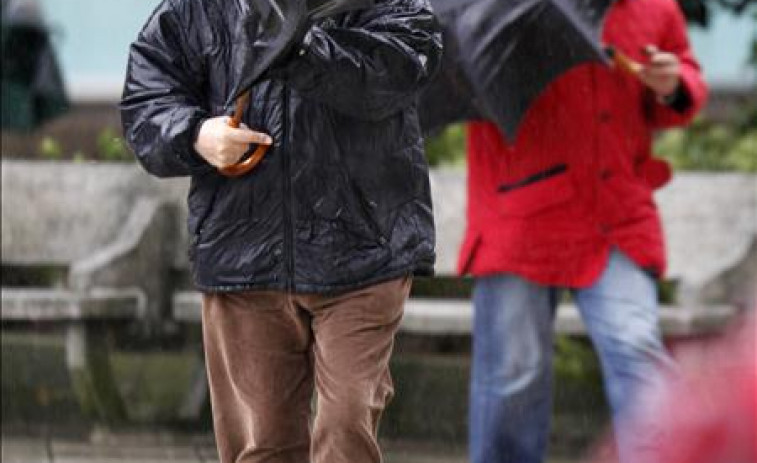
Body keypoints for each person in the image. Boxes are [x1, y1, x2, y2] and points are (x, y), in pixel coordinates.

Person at [120, 1, 442, 462]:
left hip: (364, 251)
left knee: (346, 426)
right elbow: (145, 100)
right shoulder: (201, 7)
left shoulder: (388, 3)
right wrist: (196, 135)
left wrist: (294, 44)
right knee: (263, 444)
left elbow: (395, 72)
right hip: (243, 251)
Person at [458, 0, 707, 462]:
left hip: (616, 220)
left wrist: (673, 85)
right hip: (520, 216)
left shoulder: (654, 8)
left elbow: (682, 89)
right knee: (514, 374)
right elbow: (462, 75)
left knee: (636, 346)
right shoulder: (496, 7)